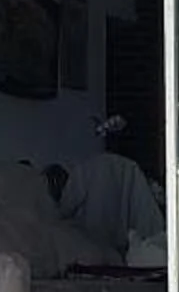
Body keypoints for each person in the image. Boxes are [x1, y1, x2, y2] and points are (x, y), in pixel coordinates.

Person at [55, 114, 166, 268]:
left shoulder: (84, 168)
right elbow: (149, 220)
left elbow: (65, 209)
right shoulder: (131, 169)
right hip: (120, 252)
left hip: (91, 249)